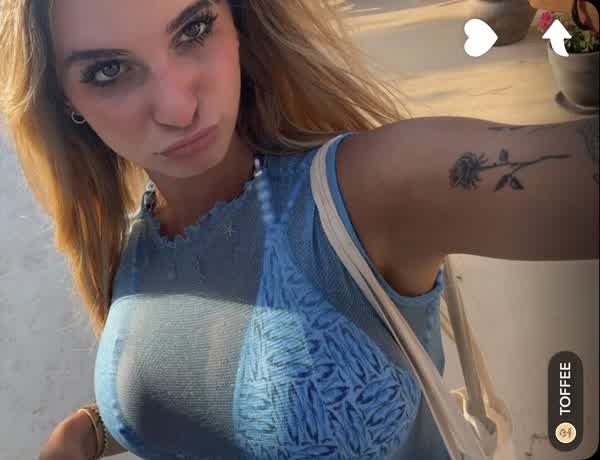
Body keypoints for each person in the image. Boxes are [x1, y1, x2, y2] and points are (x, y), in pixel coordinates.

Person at [0, 1, 597, 459]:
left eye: (194, 30)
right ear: (65, 100)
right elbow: (200, 397)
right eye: (108, 70)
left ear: (240, 25)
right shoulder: (132, 247)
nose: (178, 107)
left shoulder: (362, 194)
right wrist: (90, 429)